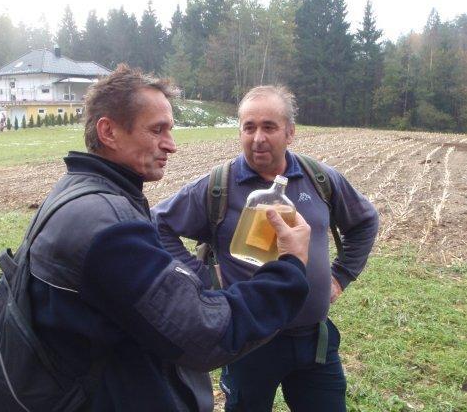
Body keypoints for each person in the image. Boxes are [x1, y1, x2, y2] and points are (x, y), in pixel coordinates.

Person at [27, 66, 314, 411]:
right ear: (108, 132)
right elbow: (204, 334)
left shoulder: (76, 191)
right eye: (157, 130)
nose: (171, 145)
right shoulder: (108, 226)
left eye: (170, 130)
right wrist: (290, 267)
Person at [152, 85, 379, 411]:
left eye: (269, 127)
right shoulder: (218, 186)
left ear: (290, 132)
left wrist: (341, 275)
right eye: (249, 127)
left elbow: (365, 221)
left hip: (314, 340)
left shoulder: (319, 179)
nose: (258, 138)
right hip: (248, 342)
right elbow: (158, 224)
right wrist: (203, 277)